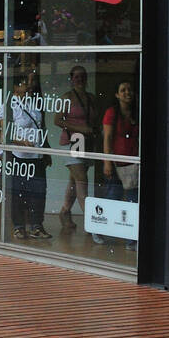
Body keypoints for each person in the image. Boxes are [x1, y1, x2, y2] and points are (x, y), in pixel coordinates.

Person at [0, 68, 51, 240]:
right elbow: (4, 134)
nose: (29, 86)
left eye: (31, 82)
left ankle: (37, 226)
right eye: (24, 83)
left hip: (36, 155)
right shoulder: (9, 105)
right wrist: (23, 143)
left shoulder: (34, 102)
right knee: (18, 192)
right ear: (15, 87)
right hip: (18, 155)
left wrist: (46, 149)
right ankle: (19, 226)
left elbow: (40, 127)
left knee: (38, 190)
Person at [54, 64, 101, 233]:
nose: (80, 79)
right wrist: (80, 129)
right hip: (73, 140)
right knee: (82, 181)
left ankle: (65, 212)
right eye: (76, 77)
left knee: (74, 180)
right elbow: (57, 120)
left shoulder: (92, 98)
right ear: (71, 79)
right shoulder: (66, 97)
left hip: (86, 142)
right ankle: (92, 222)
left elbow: (96, 121)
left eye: (83, 76)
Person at [102, 80, 139, 249]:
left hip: (133, 164)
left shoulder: (137, 112)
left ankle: (131, 241)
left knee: (133, 202)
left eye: (129, 89)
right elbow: (107, 138)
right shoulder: (111, 113)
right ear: (117, 95)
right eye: (123, 90)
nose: (127, 93)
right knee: (113, 199)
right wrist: (107, 162)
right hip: (117, 164)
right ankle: (99, 228)